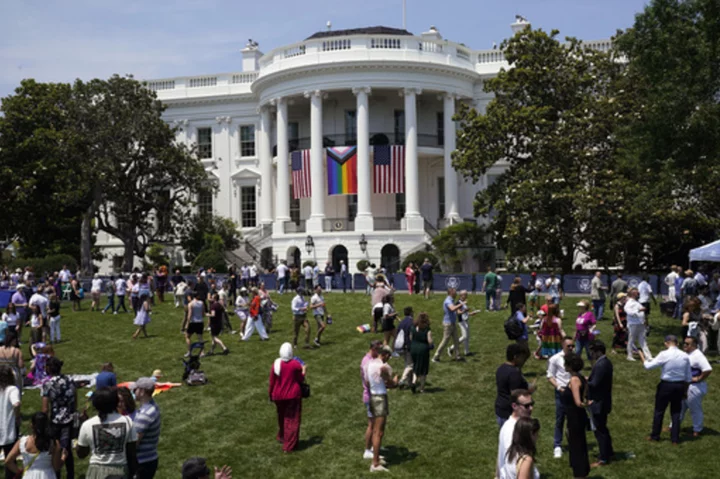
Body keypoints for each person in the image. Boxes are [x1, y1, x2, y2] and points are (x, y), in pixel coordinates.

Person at [639, 335, 691, 445]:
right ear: (677, 343)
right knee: (676, 412)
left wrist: (642, 357)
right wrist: (685, 391)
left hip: (666, 385)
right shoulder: (685, 356)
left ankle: (655, 435)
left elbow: (648, 366)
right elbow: (688, 377)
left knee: (659, 411)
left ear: (666, 343)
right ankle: (675, 439)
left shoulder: (664, 354)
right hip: (680, 385)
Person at [77, 387, 138, 478]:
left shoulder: (87, 425)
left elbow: (81, 454)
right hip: (120, 471)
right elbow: (131, 451)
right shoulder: (127, 421)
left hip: (96, 472)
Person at [41, 357, 77, 478]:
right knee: (67, 448)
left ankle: (56, 474)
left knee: (56, 449)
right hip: (69, 418)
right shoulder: (70, 380)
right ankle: (70, 474)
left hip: (55, 421)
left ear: (49, 368)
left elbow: (45, 408)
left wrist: (43, 423)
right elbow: (75, 399)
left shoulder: (48, 384)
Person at [365, 345, 398, 472]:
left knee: (374, 429)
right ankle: (375, 464)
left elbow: (367, 382)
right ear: (384, 354)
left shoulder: (368, 364)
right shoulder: (383, 367)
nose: (388, 359)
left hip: (372, 396)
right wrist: (395, 381)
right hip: (380, 398)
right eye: (388, 356)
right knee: (379, 432)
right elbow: (391, 384)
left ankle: (376, 457)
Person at [269, 343, 306, 453]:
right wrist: (304, 370)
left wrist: (270, 394)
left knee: (281, 417)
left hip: (278, 395)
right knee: (292, 420)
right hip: (292, 396)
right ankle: (289, 446)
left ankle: (282, 436)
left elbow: (272, 381)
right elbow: (300, 379)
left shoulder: (275, 364)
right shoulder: (295, 364)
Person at [4, 412, 62, 479]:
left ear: (32, 425)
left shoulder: (22, 442)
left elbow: (8, 461)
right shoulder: (53, 443)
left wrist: (19, 472)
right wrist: (63, 457)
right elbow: (56, 466)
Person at [676, 336, 712, 437]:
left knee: (695, 409)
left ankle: (697, 430)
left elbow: (708, 369)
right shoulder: (687, 354)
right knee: (679, 408)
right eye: (684, 343)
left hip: (694, 387)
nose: (684, 345)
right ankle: (673, 426)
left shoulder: (698, 356)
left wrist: (698, 378)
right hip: (684, 385)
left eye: (687, 344)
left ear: (694, 345)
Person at [562, 353, 590, 479]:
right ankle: (582, 470)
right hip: (578, 417)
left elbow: (578, 402)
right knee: (580, 444)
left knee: (576, 446)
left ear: (570, 366)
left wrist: (587, 404)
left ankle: (579, 474)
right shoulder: (582, 377)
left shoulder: (574, 380)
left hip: (574, 417)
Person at [587, 340, 614, 467]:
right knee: (603, 427)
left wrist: (584, 382)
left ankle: (603, 457)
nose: (591, 354)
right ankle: (609, 451)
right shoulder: (605, 362)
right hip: (603, 401)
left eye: (592, 352)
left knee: (599, 430)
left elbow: (595, 384)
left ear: (597, 351)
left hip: (599, 402)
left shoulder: (601, 365)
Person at [546, 337, 574, 459]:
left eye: (573, 346)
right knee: (560, 418)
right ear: (563, 345)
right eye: (569, 346)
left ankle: (572, 442)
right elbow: (550, 376)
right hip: (561, 391)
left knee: (573, 419)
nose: (572, 348)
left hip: (573, 391)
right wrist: (559, 388)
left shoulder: (575, 357)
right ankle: (557, 445)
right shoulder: (555, 359)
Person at [496, 389, 534, 478]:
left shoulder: (521, 426)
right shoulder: (511, 431)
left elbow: (499, 456)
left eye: (532, 404)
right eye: (527, 406)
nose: (531, 408)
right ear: (514, 406)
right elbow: (511, 465)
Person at [495, 344, 534, 427]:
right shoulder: (514, 373)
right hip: (510, 412)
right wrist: (530, 390)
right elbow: (515, 393)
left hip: (500, 408)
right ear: (515, 357)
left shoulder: (501, 368)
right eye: (522, 357)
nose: (524, 360)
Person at [133, 378, 162, 479]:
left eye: (135, 390)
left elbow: (134, 442)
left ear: (142, 392)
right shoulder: (153, 407)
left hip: (142, 462)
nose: (134, 392)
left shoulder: (145, 414)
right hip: (149, 458)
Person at [361, 340, 383, 460]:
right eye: (378, 350)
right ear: (373, 349)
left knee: (375, 424)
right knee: (371, 424)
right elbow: (368, 381)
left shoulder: (371, 360)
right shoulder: (367, 362)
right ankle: (367, 450)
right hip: (370, 396)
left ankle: (374, 446)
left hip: (372, 395)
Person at [0, 365, 21, 479]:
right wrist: (17, 416)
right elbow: (16, 403)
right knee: (10, 459)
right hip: (8, 428)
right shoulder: (12, 389)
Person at [625, 288, 653, 361]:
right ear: (633, 294)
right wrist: (639, 310)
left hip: (640, 323)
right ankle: (629, 355)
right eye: (637, 293)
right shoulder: (629, 303)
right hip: (633, 324)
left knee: (643, 340)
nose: (639, 294)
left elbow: (642, 312)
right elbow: (629, 312)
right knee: (631, 340)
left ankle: (648, 356)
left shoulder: (637, 302)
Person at [409, 312, 434, 393]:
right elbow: (429, 341)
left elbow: (410, 338)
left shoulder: (413, 327)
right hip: (423, 350)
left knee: (416, 366)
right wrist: (431, 344)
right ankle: (422, 388)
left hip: (413, 348)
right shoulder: (427, 329)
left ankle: (413, 382)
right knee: (423, 369)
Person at [451, 290, 478, 356]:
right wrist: (465, 310)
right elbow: (458, 312)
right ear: (461, 295)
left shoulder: (463, 302)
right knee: (464, 336)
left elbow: (465, 313)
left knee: (467, 337)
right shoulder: (458, 303)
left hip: (466, 321)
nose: (466, 296)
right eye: (465, 295)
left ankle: (467, 352)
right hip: (461, 322)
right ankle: (451, 348)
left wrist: (471, 313)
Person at [183, 293, 206, 358]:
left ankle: (189, 352)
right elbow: (203, 313)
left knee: (187, 336)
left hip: (193, 322)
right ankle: (202, 352)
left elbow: (189, 315)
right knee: (200, 338)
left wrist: (187, 324)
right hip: (200, 322)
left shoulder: (190, 304)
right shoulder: (202, 303)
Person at [396, 307, 415, 387]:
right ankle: (402, 380)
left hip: (401, 346)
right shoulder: (411, 322)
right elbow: (412, 335)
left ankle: (409, 382)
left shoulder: (402, 322)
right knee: (410, 365)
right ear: (411, 313)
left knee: (407, 363)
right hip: (408, 346)